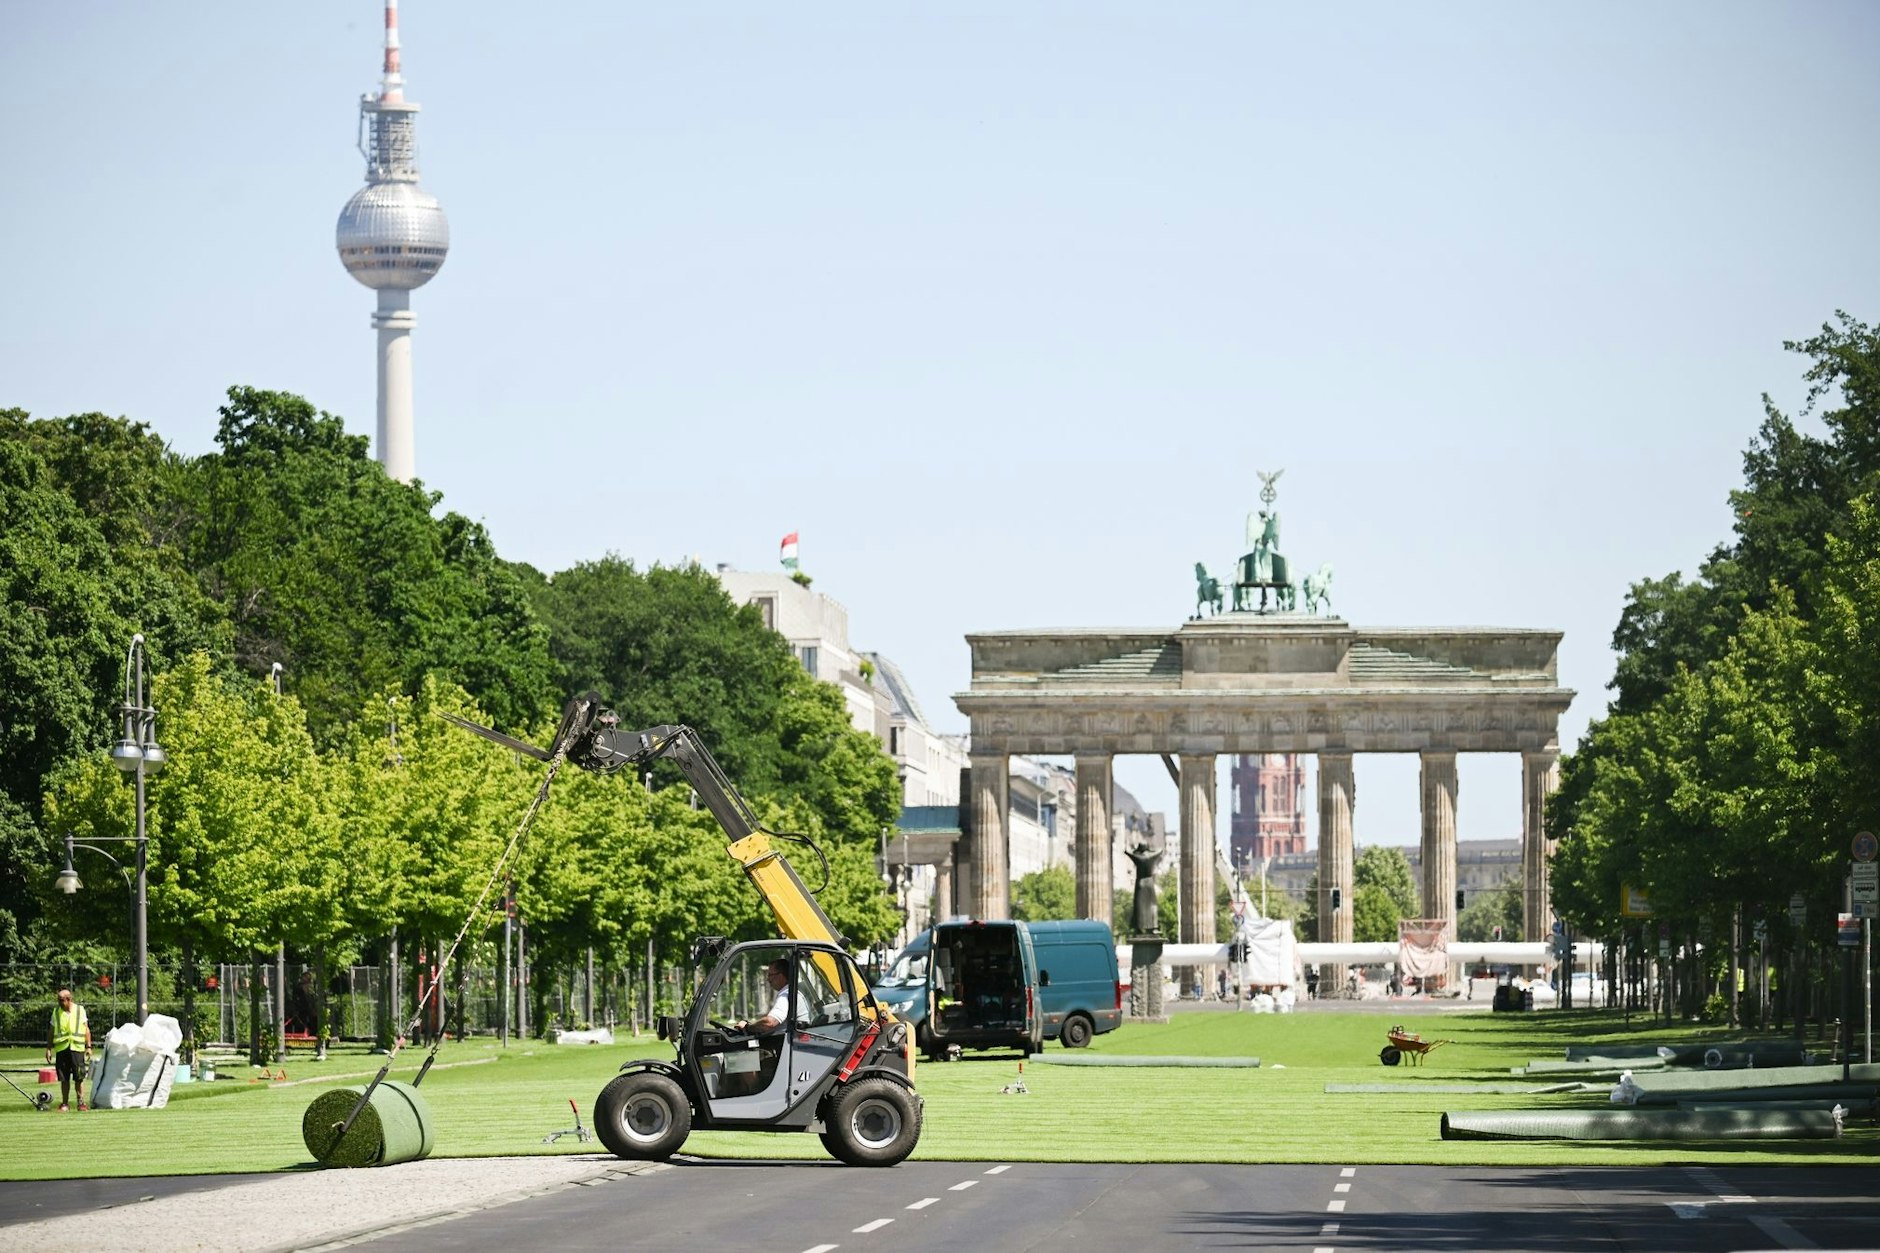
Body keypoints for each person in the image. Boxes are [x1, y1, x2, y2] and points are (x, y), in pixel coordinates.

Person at [46, 988, 91, 1112]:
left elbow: (86, 1029)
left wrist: (88, 1047)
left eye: (62, 1000)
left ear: (69, 999)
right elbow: (51, 1031)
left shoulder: (79, 1010)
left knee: (79, 1077)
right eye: (58, 1000)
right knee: (64, 1078)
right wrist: (49, 1048)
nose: (59, 1003)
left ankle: (81, 1103)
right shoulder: (56, 1012)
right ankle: (65, 1103)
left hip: (77, 1048)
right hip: (62, 1049)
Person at [736, 959, 795, 1035]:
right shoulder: (791, 991)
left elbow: (770, 1023)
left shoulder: (785, 995)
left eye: (770, 975)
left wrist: (747, 1027)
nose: (768, 979)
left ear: (780, 976)